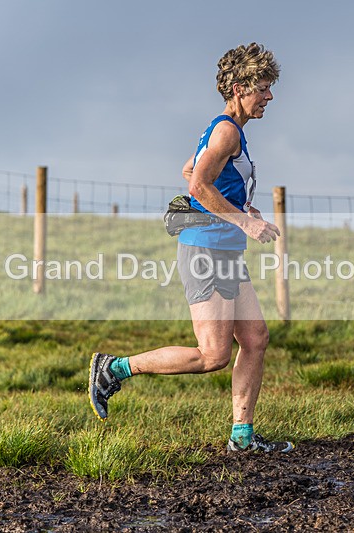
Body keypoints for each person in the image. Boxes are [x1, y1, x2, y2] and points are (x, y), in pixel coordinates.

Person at [89, 42, 292, 453]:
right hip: (206, 250)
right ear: (239, 88)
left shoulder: (228, 131)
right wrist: (245, 221)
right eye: (264, 88)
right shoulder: (225, 130)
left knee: (255, 338)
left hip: (226, 251)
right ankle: (115, 368)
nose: (269, 96)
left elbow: (191, 170)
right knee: (212, 354)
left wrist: (236, 204)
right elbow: (197, 184)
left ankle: (243, 438)